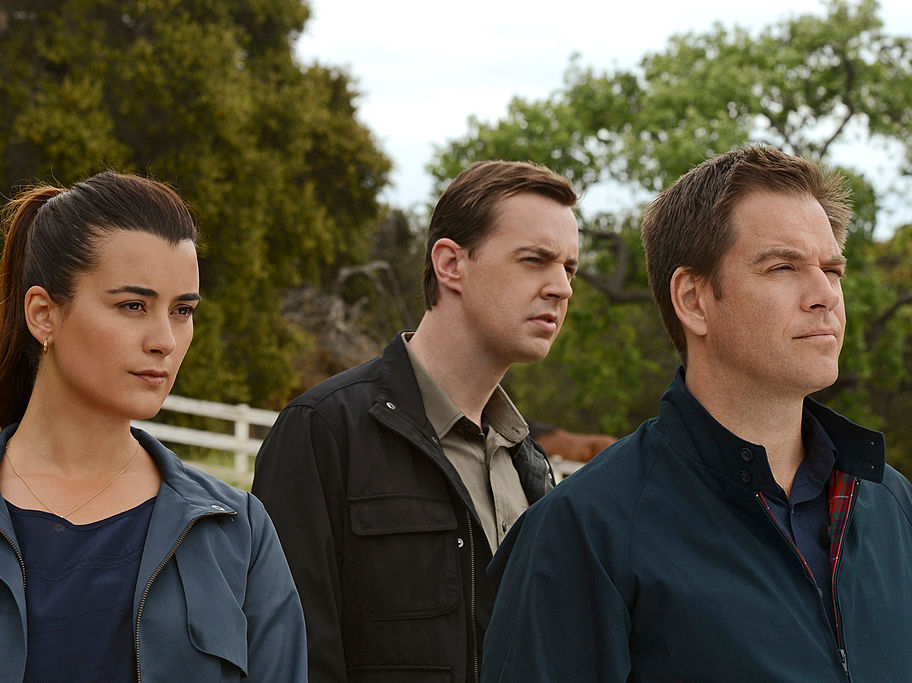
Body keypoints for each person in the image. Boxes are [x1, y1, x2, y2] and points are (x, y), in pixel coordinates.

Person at [482, 145, 912, 681]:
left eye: (832, 269)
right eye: (782, 267)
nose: (825, 294)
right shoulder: (583, 532)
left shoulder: (892, 505)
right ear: (693, 299)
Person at [0, 172, 306, 681]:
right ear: (43, 315)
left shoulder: (240, 534)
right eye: (133, 305)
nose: (165, 340)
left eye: (182, 310)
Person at [252, 160, 580, 681]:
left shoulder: (530, 467)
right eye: (535, 260)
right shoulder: (323, 431)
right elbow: (288, 657)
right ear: (451, 264)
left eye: (569, 268)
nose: (560, 287)